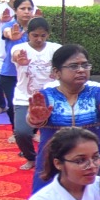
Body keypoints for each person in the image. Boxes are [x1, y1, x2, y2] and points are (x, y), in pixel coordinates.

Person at [27, 45, 100, 190]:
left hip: (93, 164)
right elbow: (32, 118)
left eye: (85, 65)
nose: (81, 70)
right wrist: (35, 119)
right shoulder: (45, 95)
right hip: (54, 163)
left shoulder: (97, 93)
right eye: (73, 66)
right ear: (56, 72)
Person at [9, 16, 59, 169]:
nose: (39, 39)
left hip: (51, 99)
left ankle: (54, 160)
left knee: (56, 133)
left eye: (43, 35)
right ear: (28, 34)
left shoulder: (56, 49)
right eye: (35, 35)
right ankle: (31, 157)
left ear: (48, 35)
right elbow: (15, 55)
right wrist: (19, 59)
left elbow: (66, 62)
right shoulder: (19, 49)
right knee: (22, 132)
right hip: (25, 99)